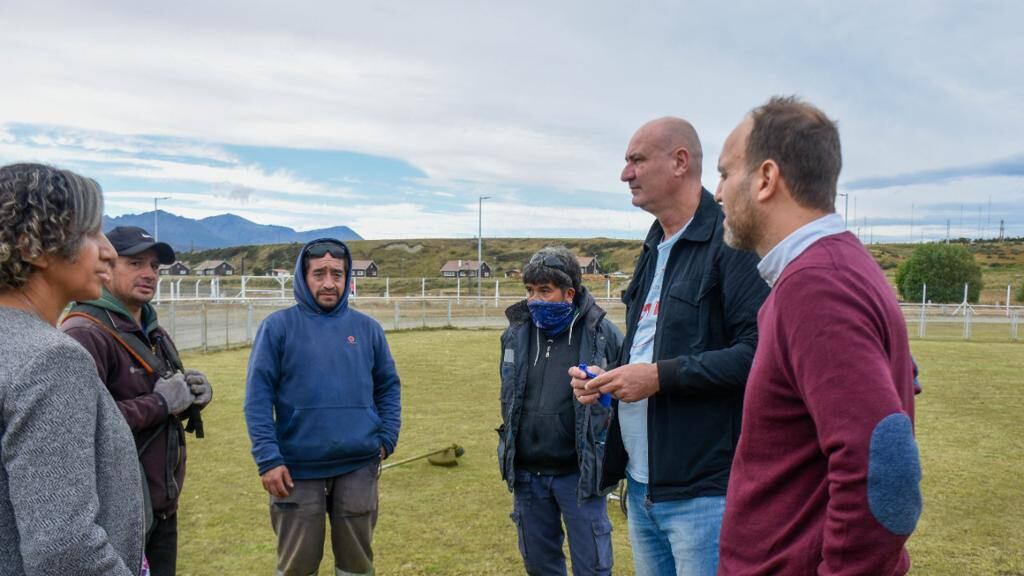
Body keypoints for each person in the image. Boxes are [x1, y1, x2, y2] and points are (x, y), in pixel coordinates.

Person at [715, 97, 921, 575]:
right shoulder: (834, 267)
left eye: (726, 174)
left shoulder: (817, 284)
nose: (718, 193)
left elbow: (884, 467)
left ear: (766, 179)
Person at [571, 118, 768, 576]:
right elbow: (646, 349)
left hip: (705, 494)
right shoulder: (653, 247)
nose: (626, 174)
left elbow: (759, 354)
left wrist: (660, 378)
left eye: (636, 160)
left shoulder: (732, 242)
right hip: (641, 488)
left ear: (680, 162)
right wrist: (604, 379)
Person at [0, 163, 145, 574]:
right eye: (90, 232)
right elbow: (65, 549)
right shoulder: (50, 360)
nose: (109, 250)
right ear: (31, 246)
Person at [245, 238, 401, 576]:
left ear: (347, 279)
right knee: (297, 567)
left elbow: (388, 386)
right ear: (303, 277)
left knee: (357, 566)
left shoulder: (368, 329)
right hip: (296, 471)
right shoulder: (277, 328)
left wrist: (387, 438)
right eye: (319, 273)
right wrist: (268, 459)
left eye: (337, 274)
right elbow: (258, 397)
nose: (329, 283)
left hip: (359, 466)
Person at [61, 225, 212, 576]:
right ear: (107, 267)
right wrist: (160, 404)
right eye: (135, 263)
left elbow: (163, 396)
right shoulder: (84, 333)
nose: (149, 274)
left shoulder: (151, 329)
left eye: (156, 267)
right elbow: (82, 427)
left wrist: (193, 397)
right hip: (117, 514)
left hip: (159, 508)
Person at [498, 247, 623, 576]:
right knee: (539, 566)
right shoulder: (514, 335)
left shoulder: (603, 335)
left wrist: (607, 400)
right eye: (529, 291)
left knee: (592, 567)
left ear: (570, 292)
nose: (534, 300)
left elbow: (627, 394)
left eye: (544, 291)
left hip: (580, 475)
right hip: (527, 474)